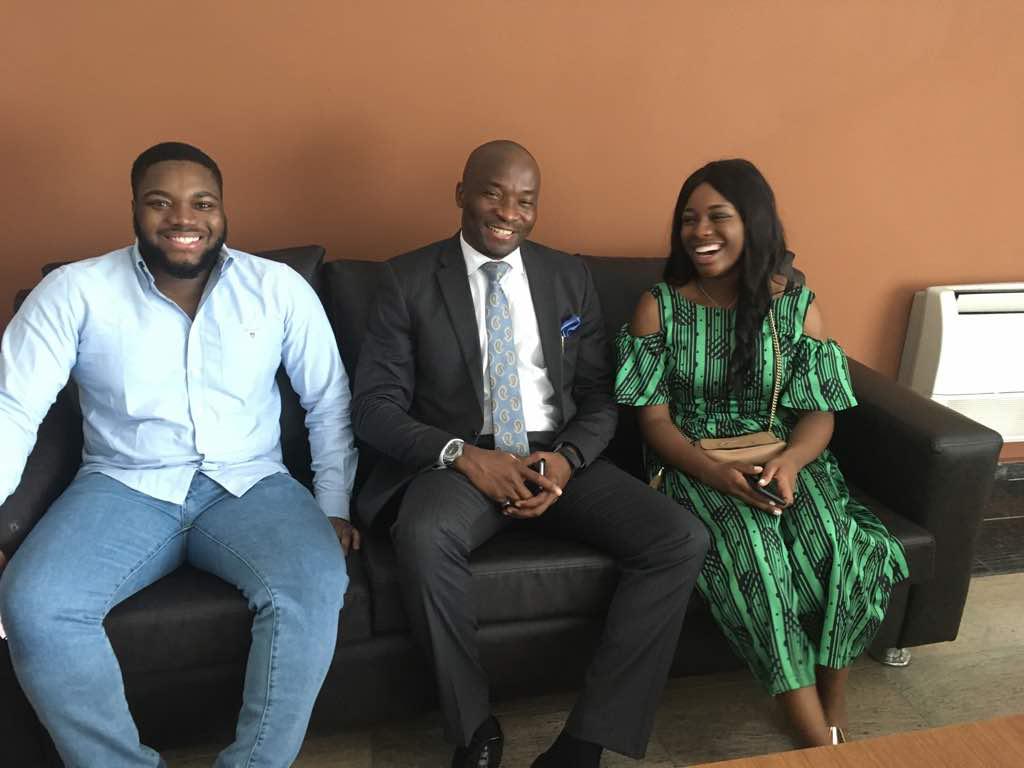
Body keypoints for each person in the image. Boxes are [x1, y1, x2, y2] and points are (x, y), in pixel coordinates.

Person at [0, 141, 358, 767]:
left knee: (317, 579)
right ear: (135, 209)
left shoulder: (278, 288)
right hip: (122, 485)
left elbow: (328, 400)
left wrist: (333, 506)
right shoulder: (74, 291)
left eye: (202, 203)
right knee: (35, 602)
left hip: (253, 485)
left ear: (222, 210)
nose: (184, 219)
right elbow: (13, 406)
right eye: (161, 202)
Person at [352, 140, 708, 768]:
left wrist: (568, 457)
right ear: (461, 194)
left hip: (555, 453)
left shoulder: (569, 276)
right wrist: (464, 455)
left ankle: (585, 742)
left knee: (679, 538)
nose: (508, 213)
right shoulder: (406, 280)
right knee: (425, 535)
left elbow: (599, 395)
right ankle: (474, 730)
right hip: (460, 463)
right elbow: (374, 407)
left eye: (525, 201)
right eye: (493, 194)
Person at [615, 158, 909, 748]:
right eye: (689, 219)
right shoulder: (659, 307)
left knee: (844, 549)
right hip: (694, 463)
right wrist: (717, 474)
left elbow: (819, 411)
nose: (700, 231)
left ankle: (832, 708)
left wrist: (792, 462)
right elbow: (654, 422)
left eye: (718, 216)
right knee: (757, 565)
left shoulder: (795, 306)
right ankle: (819, 744)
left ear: (754, 222)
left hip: (787, 458)